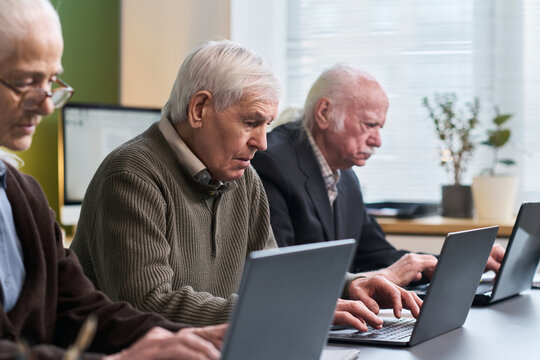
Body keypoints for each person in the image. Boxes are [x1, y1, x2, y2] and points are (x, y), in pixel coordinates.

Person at [70, 40, 422, 332]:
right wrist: (285, 313)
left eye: (267, 124)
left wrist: (348, 286)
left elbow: (276, 275)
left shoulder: (243, 178)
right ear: (199, 109)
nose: (263, 143)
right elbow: (148, 304)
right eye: (251, 122)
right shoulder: (131, 175)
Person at [0, 0, 226, 359]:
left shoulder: (22, 193)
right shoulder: (130, 173)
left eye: (51, 81)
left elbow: (80, 309)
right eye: (27, 82)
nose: (45, 105)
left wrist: (187, 338)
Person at [251, 64, 505, 287]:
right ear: (324, 113)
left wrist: (461, 264)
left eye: (380, 128)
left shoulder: (345, 175)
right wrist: (381, 278)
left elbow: (377, 256)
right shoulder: (270, 162)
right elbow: (280, 274)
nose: (378, 141)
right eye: (369, 125)